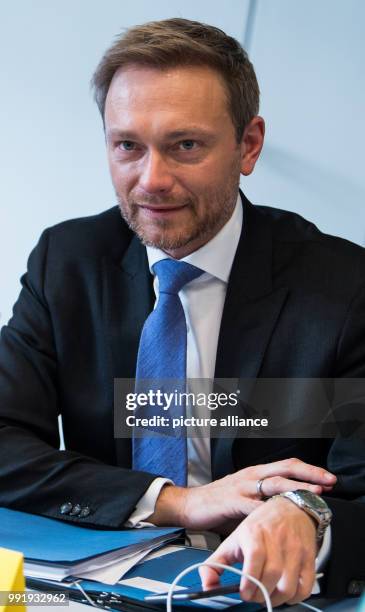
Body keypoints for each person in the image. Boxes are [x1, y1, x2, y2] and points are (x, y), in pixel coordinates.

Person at [0, 17, 364, 608]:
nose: (152, 180)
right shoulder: (66, 262)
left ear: (248, 146)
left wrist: (309, 517)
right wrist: (175, 501)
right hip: (98, 583)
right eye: (128, 146)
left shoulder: (343, 288)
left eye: (185, 145)